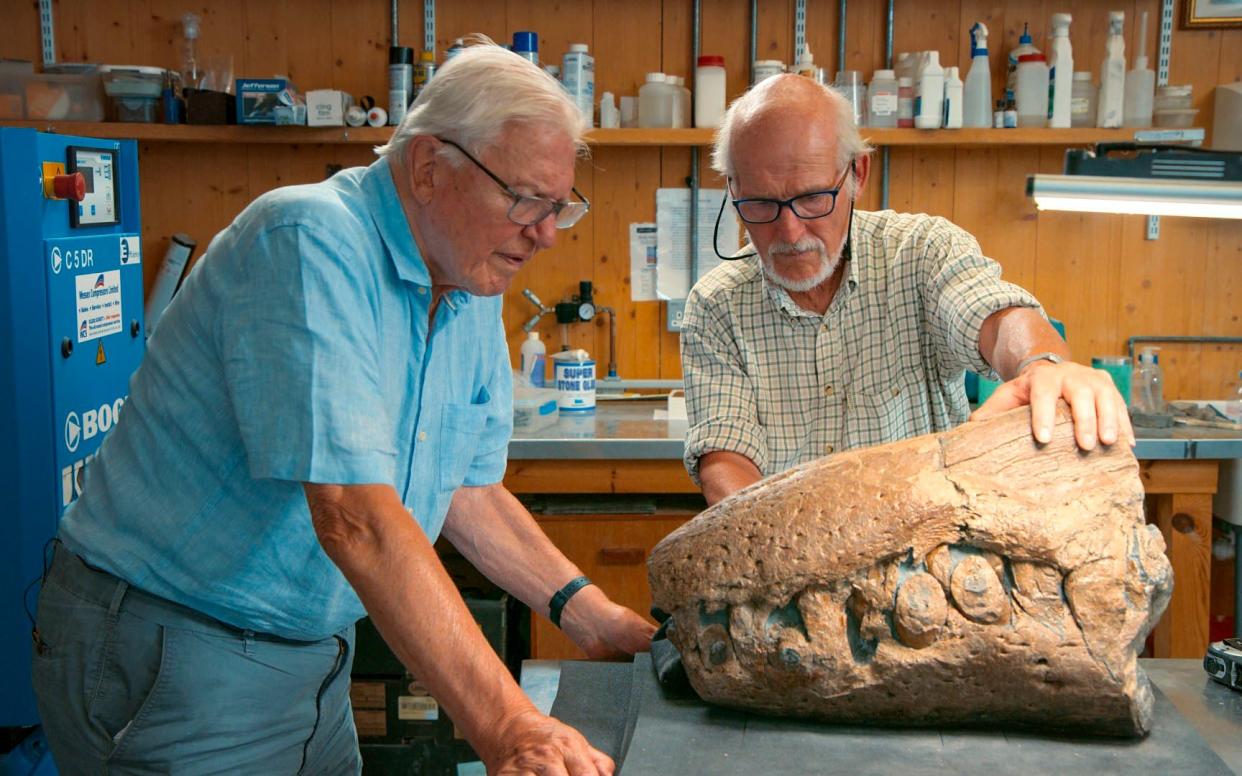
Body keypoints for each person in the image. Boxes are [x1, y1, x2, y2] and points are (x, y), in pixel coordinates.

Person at [32, 41, 652, 775]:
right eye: (525, 201)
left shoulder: (468, 276)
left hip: (312, 659)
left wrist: (591, 615)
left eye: (560, 207)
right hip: (172, 647)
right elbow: (353, 515)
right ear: (428, 167)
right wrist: (511, 725)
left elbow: (465, 489)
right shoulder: (309, 241)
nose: (545, 233)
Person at [682, 75, 1133, 506]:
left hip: (931, 558)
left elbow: (994, 317)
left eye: (812, 198)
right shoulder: (716, 305)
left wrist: (1040, 363)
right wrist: (779, 542)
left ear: (857, 173)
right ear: (733, 189)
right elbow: (725, 455)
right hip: (784, 559)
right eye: (760, 203)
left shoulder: (921, 253)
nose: (790, 230)